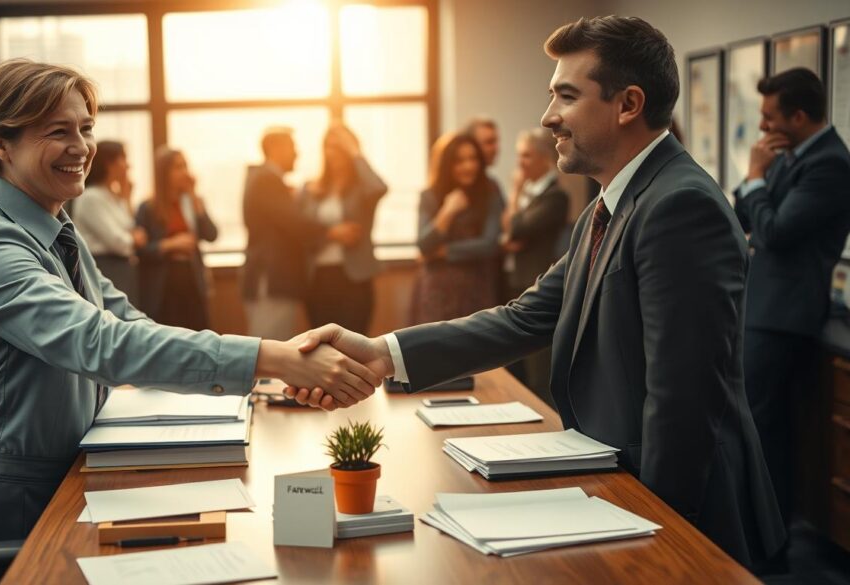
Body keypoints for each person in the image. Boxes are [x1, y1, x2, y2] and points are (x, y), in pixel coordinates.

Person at [288, 16, 786, 570]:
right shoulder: (608, 206)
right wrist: (384, 353)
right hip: (627, 499)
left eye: (566, 97)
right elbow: (525, 318)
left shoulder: (679, 207)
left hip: (682, 515)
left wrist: (659, 538)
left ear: (627, 105)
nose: (548, 117)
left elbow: (684, 402)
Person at [0, 59, 379, 562]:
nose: (81, 147)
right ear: (0, 143)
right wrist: (272, 357)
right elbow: (101, 343)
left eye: (85, 128)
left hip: (75, 477)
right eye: (58, 132)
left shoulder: (56, 227)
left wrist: (256, 365)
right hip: (21, 510)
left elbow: (127, 322)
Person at [734, 67, 850, 535]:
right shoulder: (790, 155)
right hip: (763, 309)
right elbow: (747, 213)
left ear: (799, 116)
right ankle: (761, 531)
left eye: (769, 117)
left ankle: (771, 542)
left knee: (766, 431)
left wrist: (755, 176)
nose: (762, 127)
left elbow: (776, 232)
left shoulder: (831, 165)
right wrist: (756, 183)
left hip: (786, 317)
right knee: (758, 426)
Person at [241, 126, 360, 340]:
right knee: (270, 347)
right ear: (276, 148)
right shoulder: (267, 180)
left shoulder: (267, 180)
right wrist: (332, 232)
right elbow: (292, 222)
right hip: (271, 280)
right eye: (292, 147)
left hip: (274, 281)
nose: (297, 154)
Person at [298, 123, 388, 334]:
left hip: (354, 279)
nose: (334, 152)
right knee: (321, 346)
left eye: (340, 147)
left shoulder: (362, 189)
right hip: (317, 278)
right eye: (329, 146)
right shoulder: (310, 188)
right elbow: (300, 231)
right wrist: (331, 234)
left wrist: (356, 153)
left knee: (355, 343)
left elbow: (379, 188)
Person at [501, 128, 569, 403]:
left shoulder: (555, 197)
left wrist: (515, 192)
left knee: (539, 368)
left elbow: (515, 227)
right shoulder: (533, 194)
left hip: (536, 281)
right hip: (516, 281)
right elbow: (508, 233)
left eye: (526, 156)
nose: (520, 163)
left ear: (543, 158)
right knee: (517, 364)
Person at [411, 131, 501, 324]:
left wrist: (445, 251)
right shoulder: (429, 195)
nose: (468, 166)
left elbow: (489, 244)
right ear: (447, 165)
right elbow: (423, 245)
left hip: (476, 287)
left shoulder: (489, 193)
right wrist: (447, 212)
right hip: (436, 291)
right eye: (459, 161)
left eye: (473, 158)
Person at [135, 146, 217, 330]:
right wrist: (169, 245)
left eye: (185, 166)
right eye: (178, 167)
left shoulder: (192, 202)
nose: (185, 172)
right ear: (164, 173)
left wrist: (195, 199)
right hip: (163, 285)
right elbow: (140, 250)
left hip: (192, 280)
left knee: (198, 333)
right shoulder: (148, 208)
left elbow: (212, 235)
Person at [71, 140, 145, 301]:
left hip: (122, 269)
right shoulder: (90, 197)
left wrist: (126, 197)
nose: (128, 165)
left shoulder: (112, 195)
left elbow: (131, 228)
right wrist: (133, 239)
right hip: (106, 267)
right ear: (108, 163)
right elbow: (119, 242)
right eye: (123, 159)